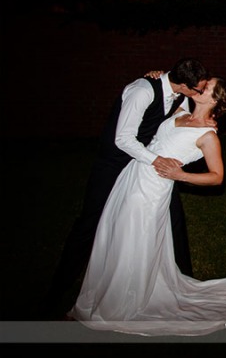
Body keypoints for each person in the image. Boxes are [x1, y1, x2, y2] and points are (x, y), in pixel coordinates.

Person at [68, 77, 226, 336]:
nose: (200, 85)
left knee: (132, 239)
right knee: (117, 233)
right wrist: (157, 76)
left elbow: (217, 176)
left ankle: (121, 302)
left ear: (214, 100)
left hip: (152, 189)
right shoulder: (181, 109)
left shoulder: (208, 135)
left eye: (207, 86)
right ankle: (105, 290)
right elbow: (169, 93)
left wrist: (183, 176)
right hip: (133, 174)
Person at [41, 57, 209, 319]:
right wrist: (157, 160)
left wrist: (204, 125)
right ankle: (56, 292)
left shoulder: (180, 95)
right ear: (184, 84)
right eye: (198, 89)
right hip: (115, 164)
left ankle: (184, 285)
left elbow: (183, 116)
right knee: (89, 224)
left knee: (174, 218)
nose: (201, 92)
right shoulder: (142, 91)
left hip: (148, 170)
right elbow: (122, 139)